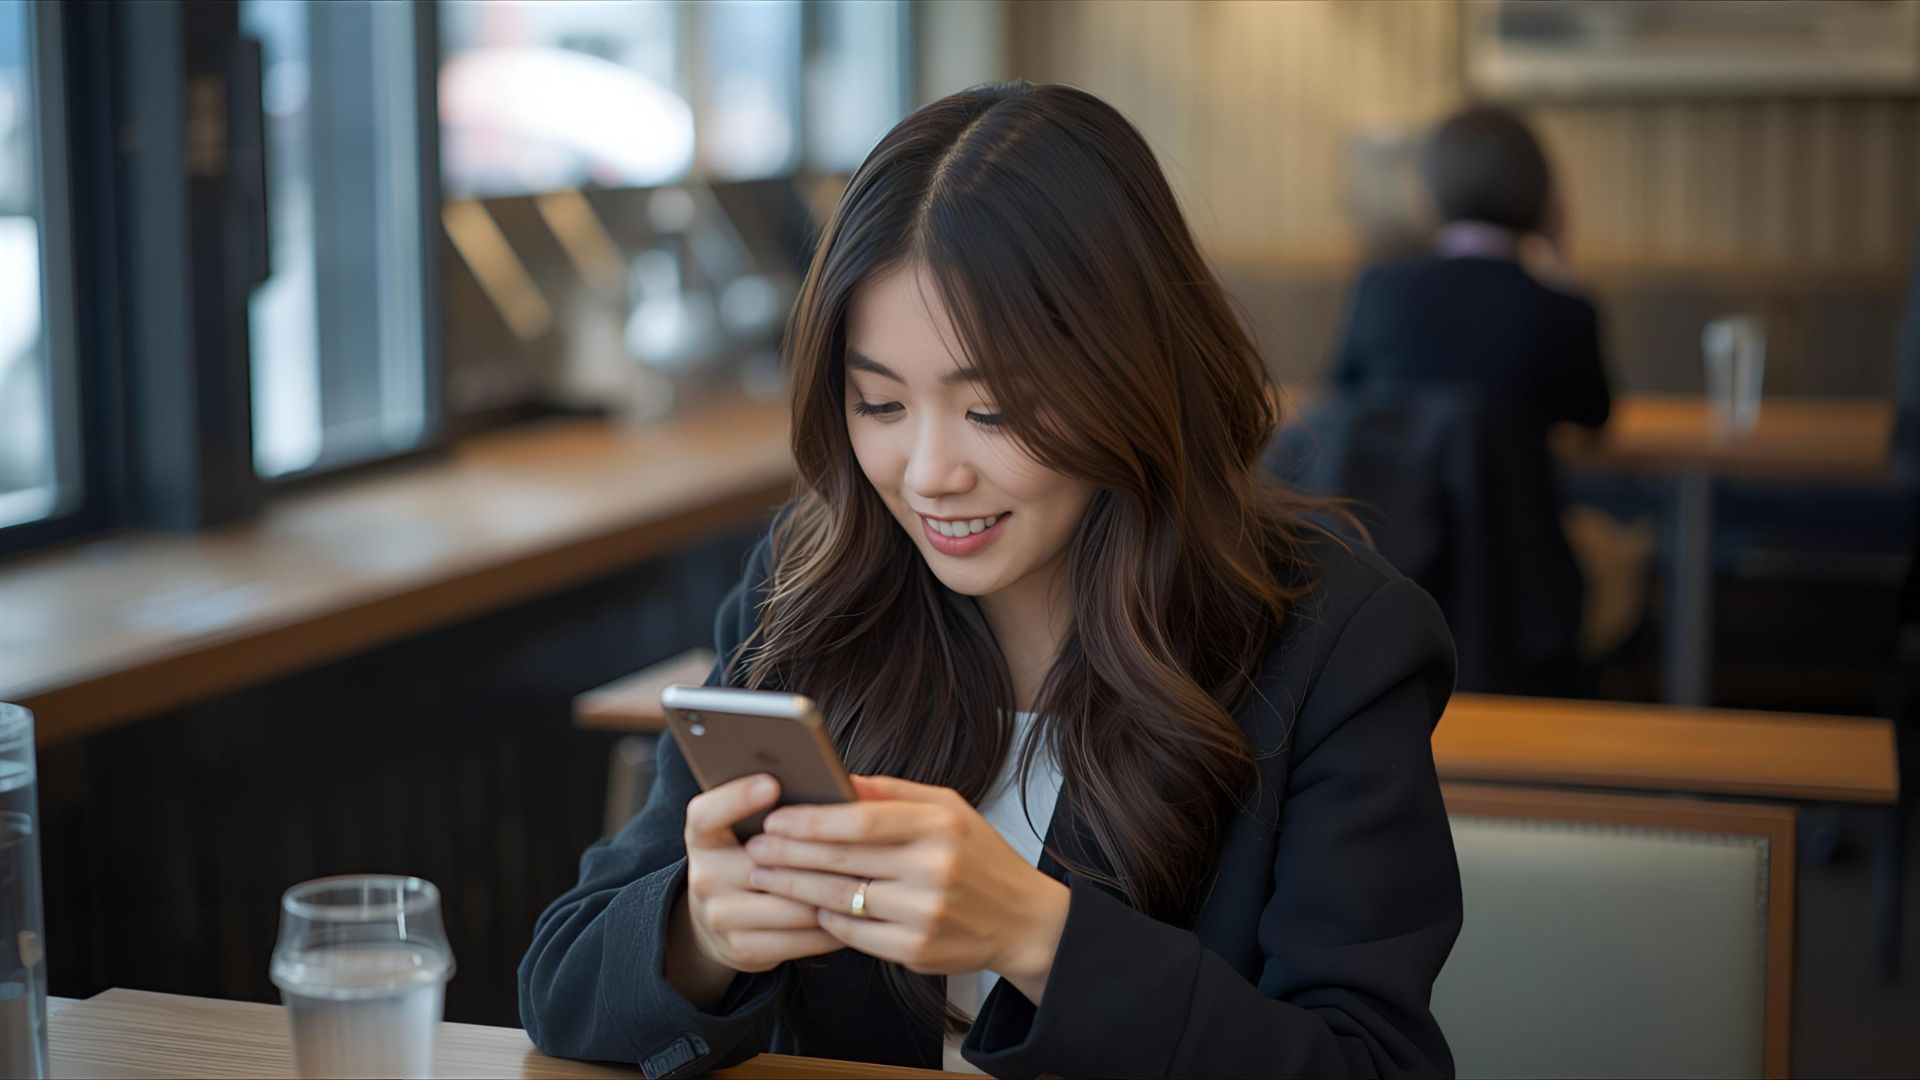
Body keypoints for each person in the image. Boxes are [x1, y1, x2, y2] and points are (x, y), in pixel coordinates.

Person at [520, 82, 1462, 1078]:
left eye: (995, 411)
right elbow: (559, 983)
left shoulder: (1334, 643)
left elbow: (1371, 1065)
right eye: (879, 403)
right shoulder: (808, 594)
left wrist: (1038, 937)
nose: (930, 475)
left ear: (1131, 377)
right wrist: (702, 933)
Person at [1332, 106, 1611, 431]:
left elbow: (1341, 398)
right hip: (1515, 483)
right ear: (1543, 199)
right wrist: (1560, 263)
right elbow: (1594, 416)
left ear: (1429, 194)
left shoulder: (1379, 291)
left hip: (1390, 483)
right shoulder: (1565, 312)